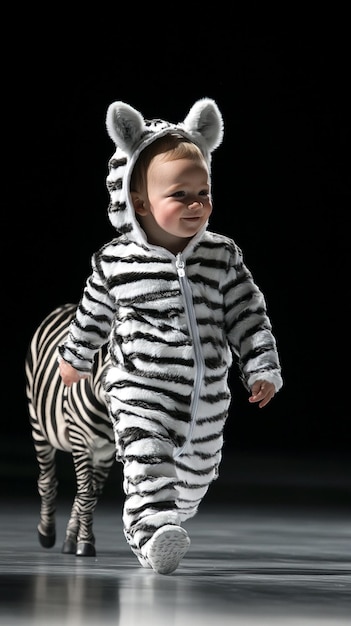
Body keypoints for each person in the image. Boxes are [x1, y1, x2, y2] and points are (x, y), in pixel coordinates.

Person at [58, 98, 283, 575]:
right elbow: (93, 312)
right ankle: (148, 530)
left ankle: (166, 521)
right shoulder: (115, 261)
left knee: (195, 479)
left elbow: (248, 313)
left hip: (207, 396)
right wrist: (76, 356)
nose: (197, 204)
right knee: (147, 462)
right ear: (138, 201)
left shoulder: (222, 256)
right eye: (181, 195)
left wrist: (261, 365)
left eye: (204, 192)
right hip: (138, 385)